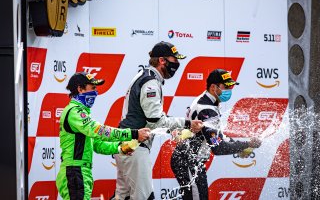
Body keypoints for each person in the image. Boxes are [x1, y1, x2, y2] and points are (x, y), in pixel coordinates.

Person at [113, 41, 203, 200]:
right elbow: (156, 121)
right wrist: (187, 123)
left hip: (127, 144)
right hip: (135, 147)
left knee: (123, 197)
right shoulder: (151, 82)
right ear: (162, 60)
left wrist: (179, 130)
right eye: (175, 60)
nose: (177, 64)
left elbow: (155, 119)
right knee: (144, 197)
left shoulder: (145, 76)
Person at [56, 72, 150, 200]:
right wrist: (133, 133)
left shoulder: (81, 113)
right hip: (75, 171)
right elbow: (99, 131)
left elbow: (97, 144)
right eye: (93, 88)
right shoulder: (74, 112)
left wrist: (120, 148)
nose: (96, 92)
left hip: (80, 172)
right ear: (80, 89)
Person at [170, 69, 262, 200]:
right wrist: (247, 144)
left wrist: (240, 146)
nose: (230, 90)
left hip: (191, 160)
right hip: (187, 161)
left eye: (231, 86)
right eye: (226, 87)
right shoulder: (206, 108)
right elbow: (218, 147)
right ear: (213, 87)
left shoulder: (209, 101)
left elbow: (219, 135)